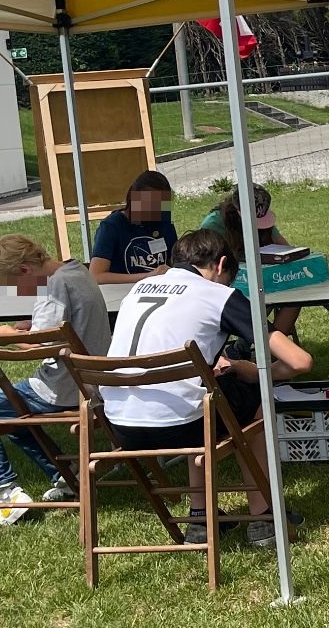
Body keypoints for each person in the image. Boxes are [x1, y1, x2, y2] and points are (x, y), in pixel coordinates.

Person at [99, 228, 312, 548]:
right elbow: (300, 362)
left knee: (197, 392)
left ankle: (199, 517)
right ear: (221, 264)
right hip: (179, 424)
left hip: (121, 424)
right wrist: (252, 373)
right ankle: (264, 517)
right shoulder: (220, 295)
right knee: (249, 399)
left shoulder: (139, 288)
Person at [0, 233, 112, 525]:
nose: (21, 296)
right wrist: (32, 327)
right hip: (93, 379)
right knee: (17, 414)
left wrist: (8, 338)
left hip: (65, 387)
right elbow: (69, 326)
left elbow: (46, 345)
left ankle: (6, 494)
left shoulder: (53, 287)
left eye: (13, 289)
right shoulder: (75, 271)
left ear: (24, 271)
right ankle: (66, 479)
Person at [207, 184, 329, 378]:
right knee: (282, 300)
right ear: (238, 213)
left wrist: (294, 261)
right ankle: (258, 362)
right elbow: (207, 267)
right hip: (231, 285)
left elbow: (286, 249)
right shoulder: (214, 224)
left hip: (265, 281)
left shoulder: (261, 219)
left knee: (309, 294)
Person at [89, 170, 177, 284]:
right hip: (122, 293)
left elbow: (176, 263)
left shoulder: (163, 221)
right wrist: (148, 276)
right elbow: (96, 276)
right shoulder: (112, 226)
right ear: (133, 198)